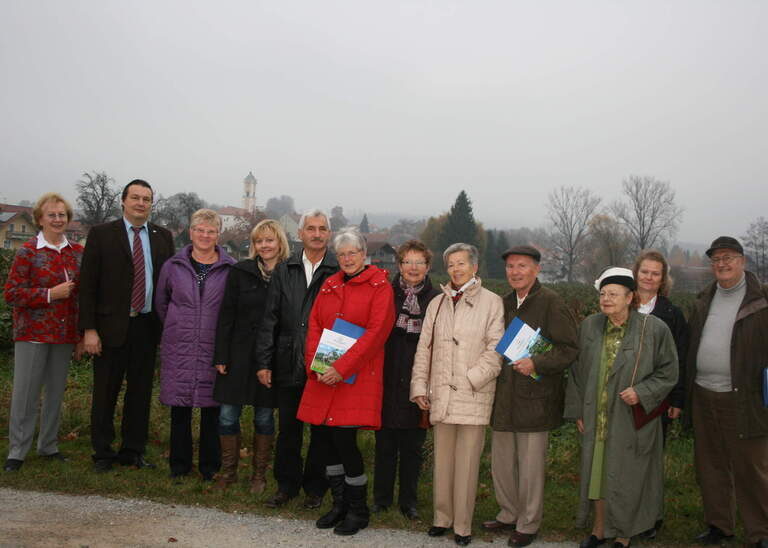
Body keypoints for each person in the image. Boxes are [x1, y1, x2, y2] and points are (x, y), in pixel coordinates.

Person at [565, 267, 678, 548]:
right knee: (598, 471)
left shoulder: (653, 329)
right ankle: (600, 529)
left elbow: (669, 371)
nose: (606, 299)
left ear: (630, 298)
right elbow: (577, 373)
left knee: (628, 474)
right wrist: (578, 410)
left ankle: (625, 533)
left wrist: (642, 392)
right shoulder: (590, 327)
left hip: (630, 418)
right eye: (603, 293)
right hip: (597, 415)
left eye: (613, 294)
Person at [297, 227, 395, 536]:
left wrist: (341, 367)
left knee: (345, 442)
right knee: (324, 441)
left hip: (355, 377)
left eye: (352, 253)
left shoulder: (380, 286)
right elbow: (314, 325)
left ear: (364, 254)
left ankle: (358, 509)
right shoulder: (329, 284)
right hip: (324, 375)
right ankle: (338, 504)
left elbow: (377, 333)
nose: (347, 259)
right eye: (341, 254)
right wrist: (315, 365)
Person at [482, 245, 578, 547]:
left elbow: (569, 349)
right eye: (510, 266)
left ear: (537, 269)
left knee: (530, 467)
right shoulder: (503, 302)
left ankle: (529, 521)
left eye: (522, 266)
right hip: (504, 398)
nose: (515, 272)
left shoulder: (551, 302)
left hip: (535, 400)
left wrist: (537, 362)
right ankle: (509, 513)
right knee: (501, 464)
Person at [410, 242, 504, 547]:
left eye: (461, 263)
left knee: (467, 465)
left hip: (474, 394)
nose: (456, 269)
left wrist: (471, 379)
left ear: (474, 267)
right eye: (451, 264)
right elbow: (424, 349)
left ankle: (463, 525)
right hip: (440, 395)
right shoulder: (436, 303)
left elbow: (496, 350)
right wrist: (419, 387)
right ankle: (442, 518)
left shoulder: (492, 303)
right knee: (443, 462)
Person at [79, 179, 175, 473]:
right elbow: (87, 286)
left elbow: (168, 284)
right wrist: (89, 330)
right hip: (109, 328)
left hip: (146, 327)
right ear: (123, 201)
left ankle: (132, 451)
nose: (141, 203)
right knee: (105, 392)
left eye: (146, 199)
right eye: (135, 197)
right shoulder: (101, 234)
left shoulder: (162, 237)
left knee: (140, 393)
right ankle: (103, 453)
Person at [684, 236, 768, 547]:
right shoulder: (704, 298)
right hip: (704, 394)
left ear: (743, 262)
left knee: (751, 468)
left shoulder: (761, 300)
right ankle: (720, 525)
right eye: (717, 259)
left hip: (746, 398)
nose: (722, 263)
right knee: (711, 465)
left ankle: (760, 532)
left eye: (729, 257)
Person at [253, 209, 338, 508]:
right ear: (300, 234)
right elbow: (269, 320)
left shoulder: (338, 270)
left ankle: (316, 488)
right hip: (287, 358)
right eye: (311, 228)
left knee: (321, 430)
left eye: (322, 228)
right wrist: (263, 363)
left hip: (325, 359)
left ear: (329, 234)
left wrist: (334, 364)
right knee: (289, 429)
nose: (316, 233)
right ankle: (286, 486)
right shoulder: (284, 269)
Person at [3, 193, 84, 472]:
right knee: (25, 394)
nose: (58, 219)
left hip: (64, 335)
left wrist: (81, 334)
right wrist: (50, 294)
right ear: (40, 219)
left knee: (55, 394)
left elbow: (81, 296)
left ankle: (48, 445)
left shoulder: (76, 252)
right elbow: (12, 293)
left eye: (62, 215)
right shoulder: (28, 251)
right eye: (52, 215)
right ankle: (17, 450)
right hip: (33, 333)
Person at [154, 209, 234, 480]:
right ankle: (179, 466)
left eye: (211, 231)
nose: (205, 235)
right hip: (180, 345)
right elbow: (161, 304)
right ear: (191, 232)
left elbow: (233, 309)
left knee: (212, 410)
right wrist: (178, 327)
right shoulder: (173, 266)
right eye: (200, 229)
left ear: (218, 235)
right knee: (180, 410)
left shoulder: (230, 267)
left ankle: (210, 467)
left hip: (214, 347)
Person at [212, 219, 290, 492]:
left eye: (269, 240)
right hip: (237, 355)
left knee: (264, 417)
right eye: (259, 241)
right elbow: (226, 314)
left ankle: (259, 475)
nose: (264, 245)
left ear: (279, 242)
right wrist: (221, 355)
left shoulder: (290, 273)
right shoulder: (240, 271)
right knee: (227, 416)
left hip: (269, 358)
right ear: (253, 245)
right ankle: (229, 471)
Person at [372, 240, 440, 520]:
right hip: (386, 378)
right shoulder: (384, 294)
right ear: (399, 265)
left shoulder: (437, 299)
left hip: (418, 381)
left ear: (427, 267)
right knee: (385, 445)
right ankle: (381, 498)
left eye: (419, 262)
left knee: (413, 448)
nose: (413, 268)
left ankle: (408, 501)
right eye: (407, 262)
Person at [632, 250, 690, 538]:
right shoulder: (621, 305)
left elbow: (680, 358)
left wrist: (677, 400)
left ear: (663, 279)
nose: (649, 277)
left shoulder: (672, 314)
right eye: (645, 271)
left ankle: (649, 519)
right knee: (623, 459)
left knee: (650, 460)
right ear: (636, 273)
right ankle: (623, 514)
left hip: (657, 399)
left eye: (655, 273)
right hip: (623, 398)